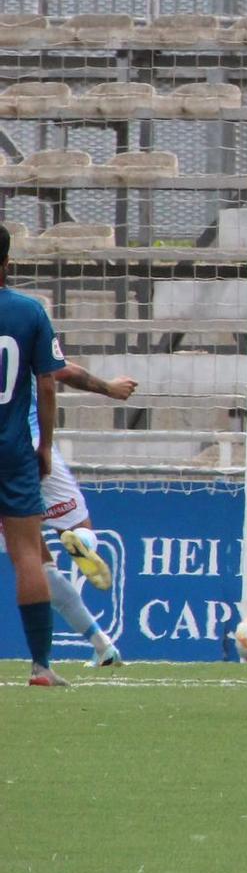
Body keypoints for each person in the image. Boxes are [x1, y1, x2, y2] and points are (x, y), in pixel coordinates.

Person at [32, 357, 138, 667]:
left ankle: (88, 649)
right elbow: (59, 371)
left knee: (34, 561)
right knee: (80, 525)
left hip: (7, 454)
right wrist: (109, 388)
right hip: (36, 443)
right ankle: (83, 544)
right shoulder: (25, 319)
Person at [0, 225, 66, 687]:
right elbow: (47, 382)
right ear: (6, 262)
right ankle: (41, 665)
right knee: (26, 552)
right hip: (12, 448)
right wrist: (45, 445)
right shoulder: (29, 312)